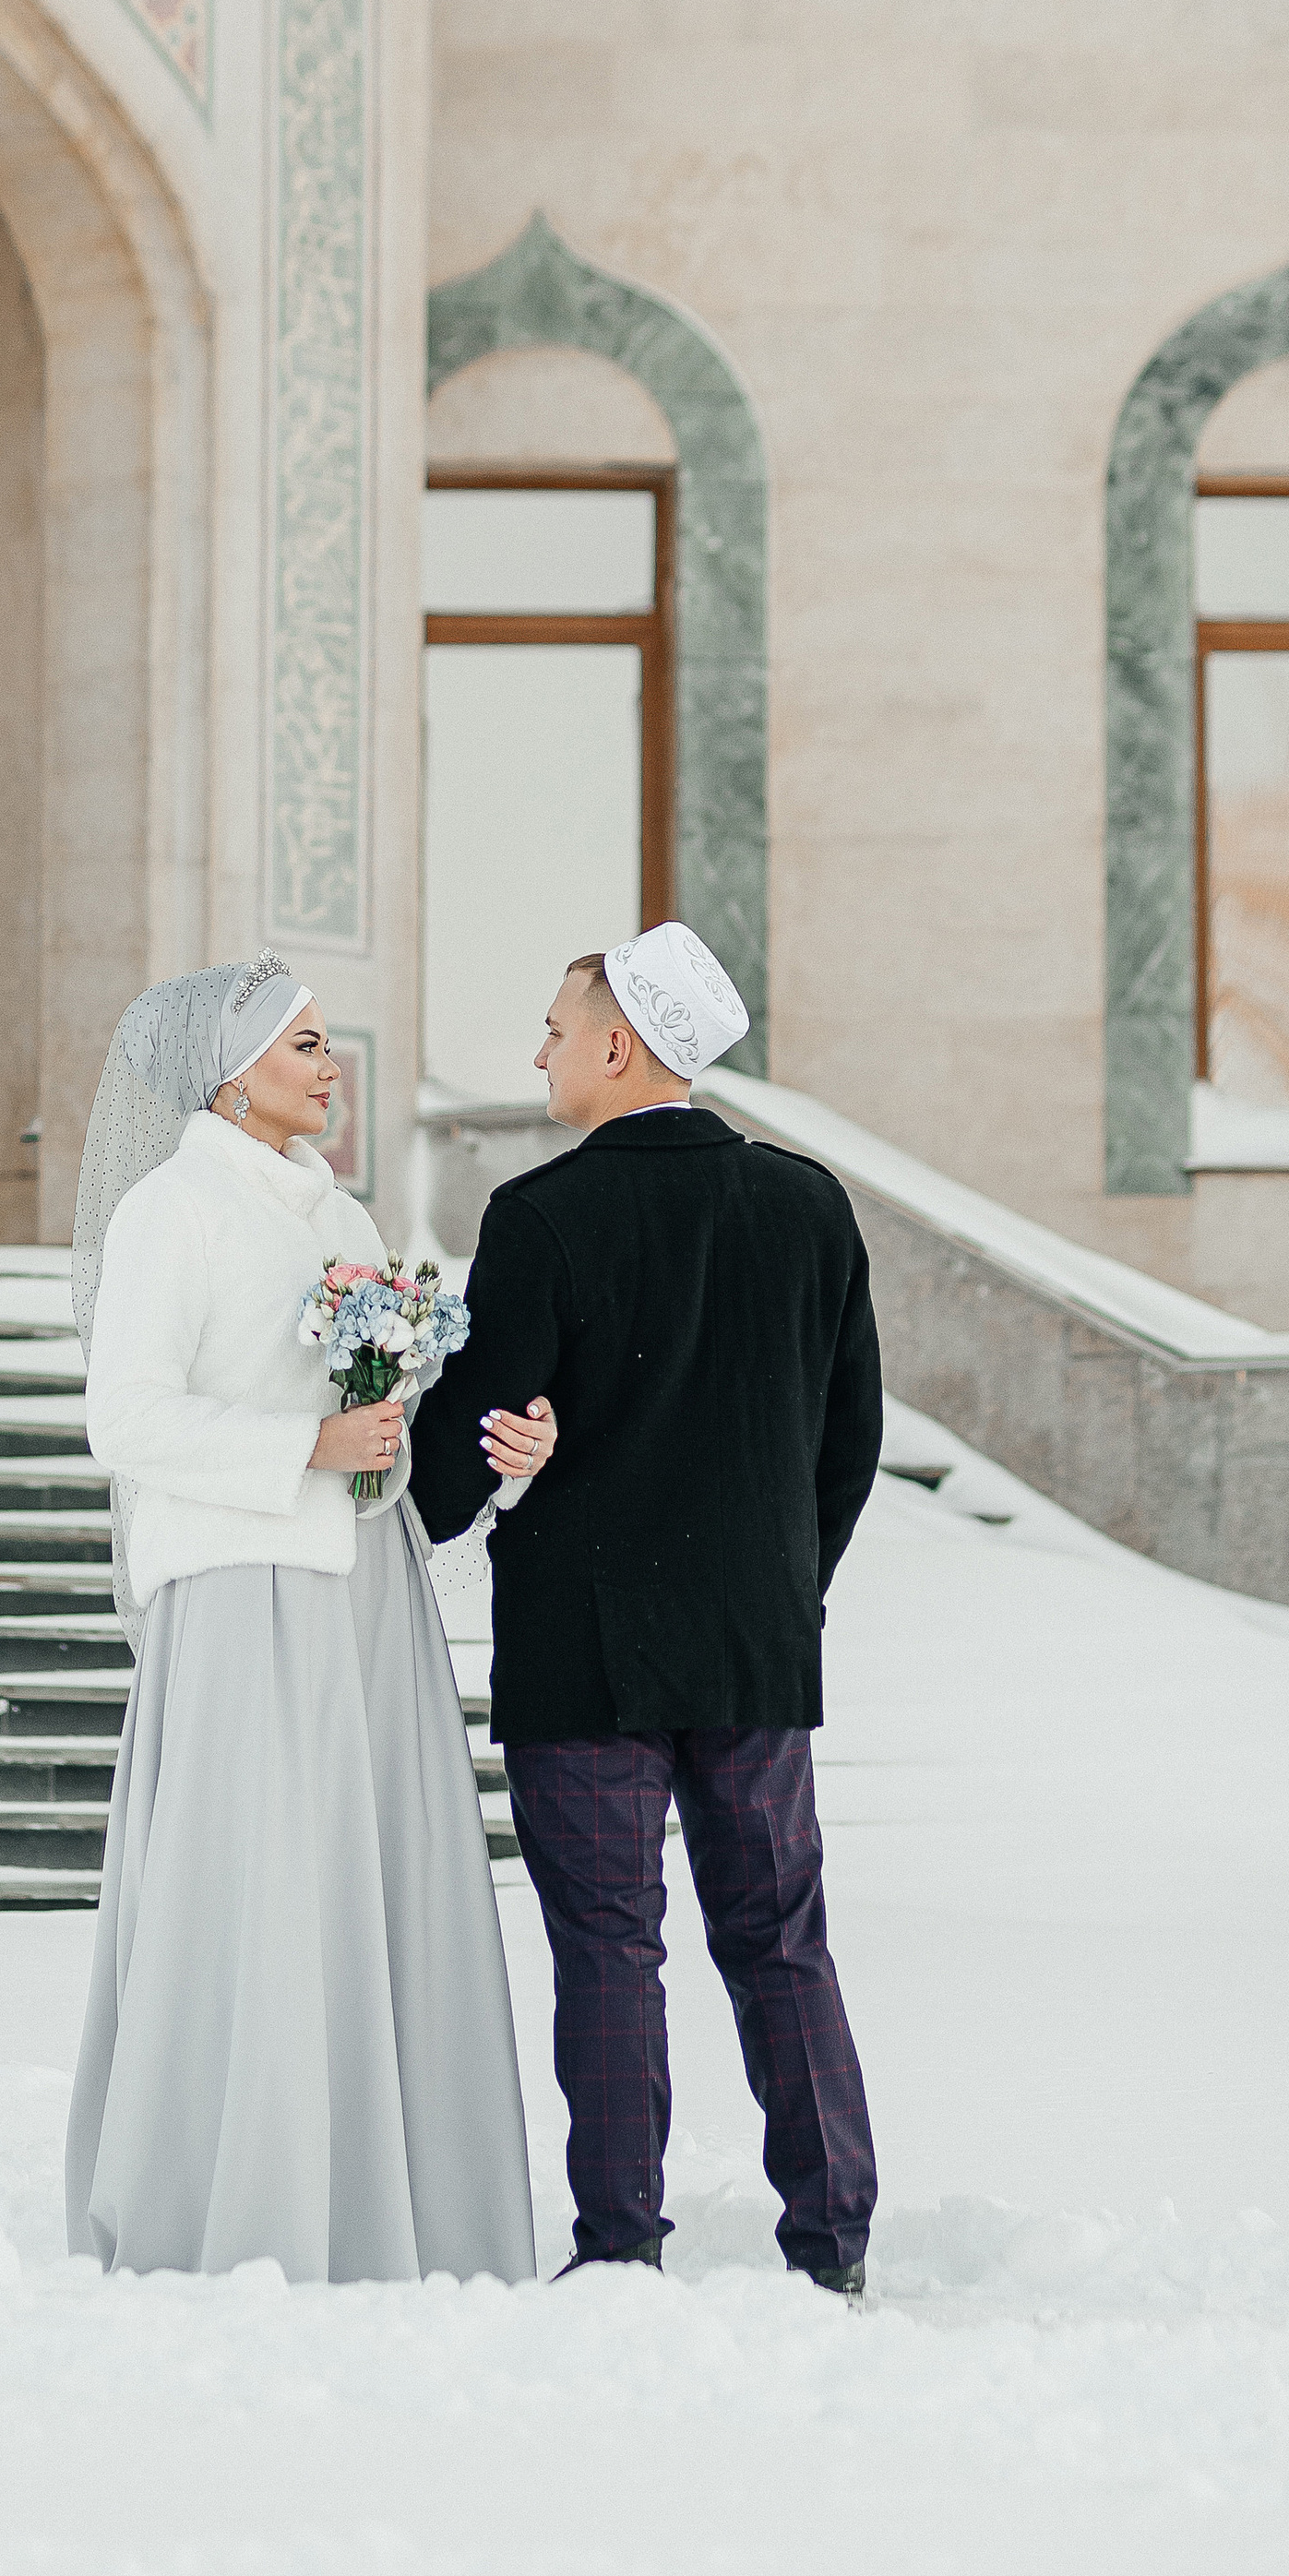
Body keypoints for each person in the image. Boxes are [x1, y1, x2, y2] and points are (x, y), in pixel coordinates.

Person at [64, 954, 553, 2284]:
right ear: (231, 1075)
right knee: (259, 1894)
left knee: (368, 1888)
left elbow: (378, 1429)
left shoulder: (341, 1224)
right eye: (305, 1046)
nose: (331, 1067)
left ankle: (388, 2207)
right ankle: (235, 2206)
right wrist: (306, 1443)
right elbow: (126, 1418)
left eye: (329, 1044)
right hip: (238, 1590)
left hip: (362, 1593)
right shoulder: (173, 1212)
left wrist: (460, 1450)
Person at [411, 923, 884, 2292]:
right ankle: (833, 2244)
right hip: (755, 1648)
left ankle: (620, 2248)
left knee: (609, 1951)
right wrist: (788, 1587)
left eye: (557, 1029)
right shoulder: (809, 1207)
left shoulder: (543, 1217)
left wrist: (404, 1428)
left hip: (585, 1654)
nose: (540, 1052)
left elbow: (458, 1469)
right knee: (782, 1940)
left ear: (620, 1046)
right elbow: (847, 1441)